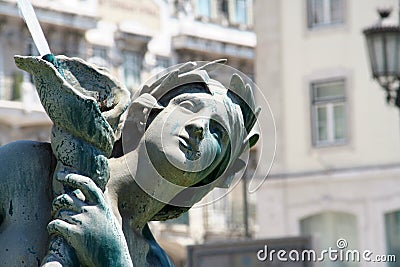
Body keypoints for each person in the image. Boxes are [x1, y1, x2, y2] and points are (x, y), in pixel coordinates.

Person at [0, 56, 259, 266]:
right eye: (189, 107)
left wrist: (111, 259)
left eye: (218, 133)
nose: (200, 127)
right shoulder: (24, 167)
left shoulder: (154, 262)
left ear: (212, 175)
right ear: (146, 114)